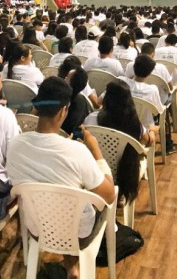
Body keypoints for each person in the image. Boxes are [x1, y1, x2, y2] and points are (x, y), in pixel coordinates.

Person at [6, 77, 116, 279]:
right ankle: (74, 266)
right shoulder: (78, 151)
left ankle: (70, 267)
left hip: (37, 227)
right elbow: (109, 196)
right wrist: (96, 151)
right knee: (83, 200)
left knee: (60, 196)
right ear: (64, 110)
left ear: (37, 107)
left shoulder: (14, 145)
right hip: (78, 234)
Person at [85, 80, 150, 206]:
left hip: (98, 170)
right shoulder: (134, 123)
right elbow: (146, 140)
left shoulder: (91, 119)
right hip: (124, 172)